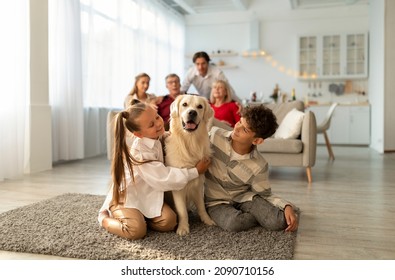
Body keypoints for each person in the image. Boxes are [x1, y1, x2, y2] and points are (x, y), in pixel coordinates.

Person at [98, 100, 211, 240]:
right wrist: (195, 171)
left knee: (170, 222)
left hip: (149, 194)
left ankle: (143, 218)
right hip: (128, 197)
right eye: (151, 124)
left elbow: (161, 136)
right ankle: (104, 218)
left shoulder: (155, 136)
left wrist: (168, 135)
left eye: (157, 117)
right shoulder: (140, 152)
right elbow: (164, 178)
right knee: (136, 231)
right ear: (139, 134)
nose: (158, 123)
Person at [205, 105, 298, 233]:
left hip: (243, 198)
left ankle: (273, 211)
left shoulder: (259, 165)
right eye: (239, 122)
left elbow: (265, 194)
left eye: (245, 130)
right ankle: (258, 216)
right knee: (233, 223)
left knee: (278, 221)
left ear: (257, 141)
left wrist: (286, 206)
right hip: (216, 201)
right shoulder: (214, 135)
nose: (236, 128)